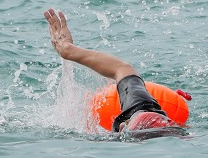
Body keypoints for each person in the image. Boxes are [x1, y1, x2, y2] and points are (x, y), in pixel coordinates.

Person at [44, 9, 186, 139]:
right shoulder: (169, 129)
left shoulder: (141, 113)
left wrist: (67, 50)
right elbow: (121, 69)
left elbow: (121, 68)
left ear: (123, 126)